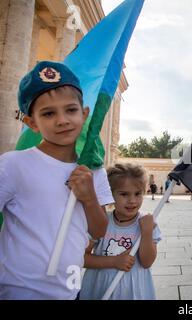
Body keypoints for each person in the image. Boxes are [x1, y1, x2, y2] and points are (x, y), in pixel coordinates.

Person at [0, 61, 113, 299]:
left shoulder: (93, 170)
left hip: (69, 291)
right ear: (32, 123)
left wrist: (89, 197)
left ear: (84, 114)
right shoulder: (13, 165)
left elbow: (100, 229)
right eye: (49, 113)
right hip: (19, 290)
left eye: (70, 110)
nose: (62, 120)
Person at [79, 163, 161, 300]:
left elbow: (147, 262)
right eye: (124, 194)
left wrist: (146, 233)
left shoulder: (148, 224)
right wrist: (114, 261)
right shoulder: (100, 221)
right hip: (100, 288)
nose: (132, 201)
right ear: (110, 194)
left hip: (133, 291)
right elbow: (81, 258)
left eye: (138, 194)